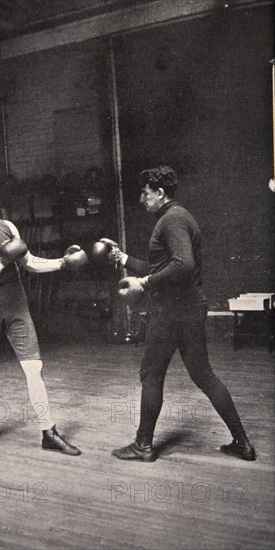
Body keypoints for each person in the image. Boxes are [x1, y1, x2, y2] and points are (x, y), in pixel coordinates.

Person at [109, 166, 256, 462]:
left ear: (160, 193)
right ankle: (242, 442)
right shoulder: (178, 216)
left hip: (172, 313)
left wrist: (144, 283)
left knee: (151, 374)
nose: (141, 199)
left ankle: (143, 445)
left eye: (145, 193)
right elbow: (165, 267)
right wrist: (124, 259)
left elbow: (183, 264)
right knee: (204, 375)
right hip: (188, 309)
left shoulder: (172, 219)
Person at [0, 180, 87, 456]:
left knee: (34, 369)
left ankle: (49, 432)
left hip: (16, 308)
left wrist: (62, 263)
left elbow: (29, 262)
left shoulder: (8, 228)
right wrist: (2, 260)